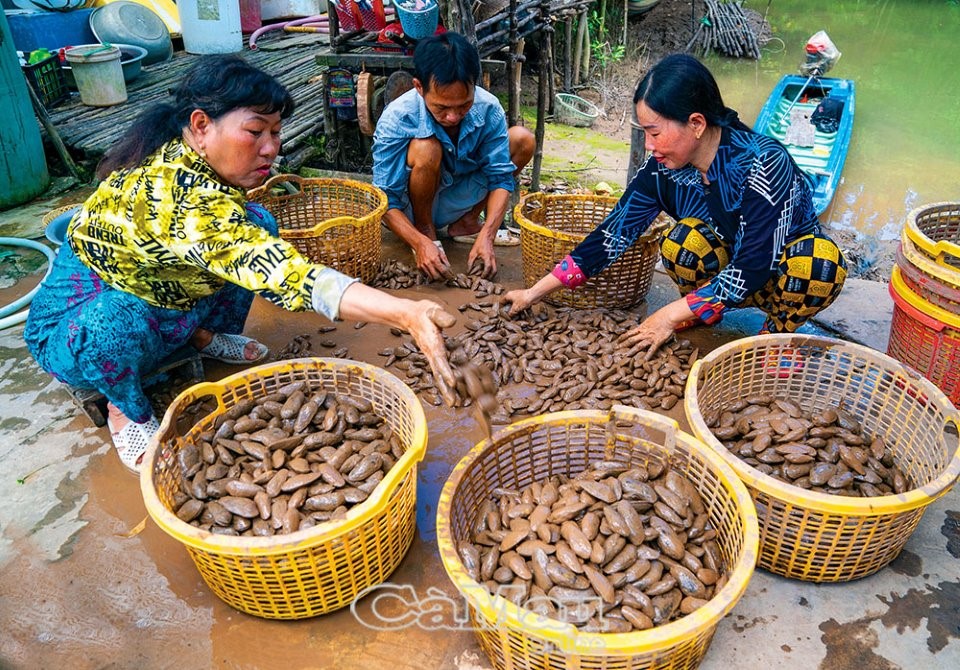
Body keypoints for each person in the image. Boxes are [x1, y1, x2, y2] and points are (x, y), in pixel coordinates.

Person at [24, 55, 457, 474]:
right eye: (255, 132)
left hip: (158, 294)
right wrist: (405, 312)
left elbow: (242, 246)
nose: (272, 149)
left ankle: (201, 335)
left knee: (258, 222)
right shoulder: (178, 197)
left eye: (276, 132)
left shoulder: (197, 163)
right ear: (200, 126)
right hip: (74, 328)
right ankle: (125, 410)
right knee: (115, 319)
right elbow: (284, 273)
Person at [505, 53, 847, 357]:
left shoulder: (763, 163)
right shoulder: (663, 170)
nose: (650, 145)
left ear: (696, 123)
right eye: (645, 134)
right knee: (681, 240)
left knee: (819, 263)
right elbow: (613, 234)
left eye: (655, 133)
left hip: (781, 276)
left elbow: (754, 264)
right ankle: (701, 310)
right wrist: (535, 291)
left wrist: (666, 314)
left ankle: (777, 334)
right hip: (725, 272)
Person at [372, 32, 536, 281]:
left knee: (522, 139)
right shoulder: (397, 117)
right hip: (410, 208)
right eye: (441, 107)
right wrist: (419, 243)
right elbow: (385, 200)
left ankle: (467, 223)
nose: (453, 117)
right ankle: (426, 231)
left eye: (463, 105)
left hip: (457, 197)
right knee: (427, 148)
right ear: (419, 87)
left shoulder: (489, 108)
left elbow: (501, 179)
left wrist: (488, 235)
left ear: (474, 85)